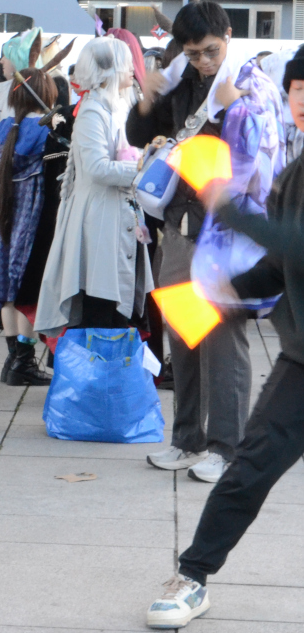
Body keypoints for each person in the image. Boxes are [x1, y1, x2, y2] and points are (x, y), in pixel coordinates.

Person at [145, 44, 304, 630]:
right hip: (301, 360)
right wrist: (221, 295)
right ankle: (193, 576)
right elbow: (282, 263)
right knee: (249, 467)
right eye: (298, 88)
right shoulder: (293, 174)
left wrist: (225, 205)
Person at [125, 1, 252, 482]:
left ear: (228, 34)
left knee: (223, 340)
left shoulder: (250, 83)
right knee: (183, 338)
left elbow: (255, 156)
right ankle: (187, 440)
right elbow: (138, 135)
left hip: (225, 232)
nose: (203, 60)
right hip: (176, 226)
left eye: (210, 50)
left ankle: (228, 447)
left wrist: (234, 103)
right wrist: (147, 99)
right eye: (194, 52)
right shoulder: (178, 79)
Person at [35, 38, 152, 339]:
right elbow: (97, 168)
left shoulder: (116, 107)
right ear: (108, 69)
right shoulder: (92, 112)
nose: (132, 71)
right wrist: (142, 169)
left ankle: (106, 378)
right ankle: (93, 378)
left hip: (116, 215)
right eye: (125, 64)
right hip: (98, 220)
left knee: (114, 309)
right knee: (100, 303)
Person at [0, 68, 57, 385]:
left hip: (0, 221)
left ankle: (14, 361)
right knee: (28, 290)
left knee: (8, 292)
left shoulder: (2, 129)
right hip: (31, 220)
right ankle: (24, 359)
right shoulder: (45, 131)